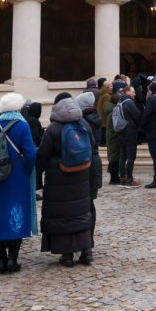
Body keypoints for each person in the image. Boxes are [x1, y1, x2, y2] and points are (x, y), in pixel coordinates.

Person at [37, 96, 100, 267]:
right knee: (81, 213)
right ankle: (86, 251)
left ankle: (67, 255)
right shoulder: (83, 124)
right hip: (81, 177)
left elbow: (42, 154)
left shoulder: (53, 128)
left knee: (62, 215)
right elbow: (92, 147)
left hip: (58, 178)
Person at [0, 93, 38, 273]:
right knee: (16, 216)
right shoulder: (22, 126)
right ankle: (12, 260)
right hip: (17, 178)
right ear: (18, 108)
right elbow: (30, 154)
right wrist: (25, 170)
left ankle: (1, 260)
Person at [113, 82, 143, 187]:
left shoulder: (119, 101)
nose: (135, 94)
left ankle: (122, 178)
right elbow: (138, 116)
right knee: (131, 156)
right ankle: (129, 179)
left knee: (123, 156)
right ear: (127, 92)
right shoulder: (129, 102)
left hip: (120, 132)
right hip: (129, 132)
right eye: (133, 92)